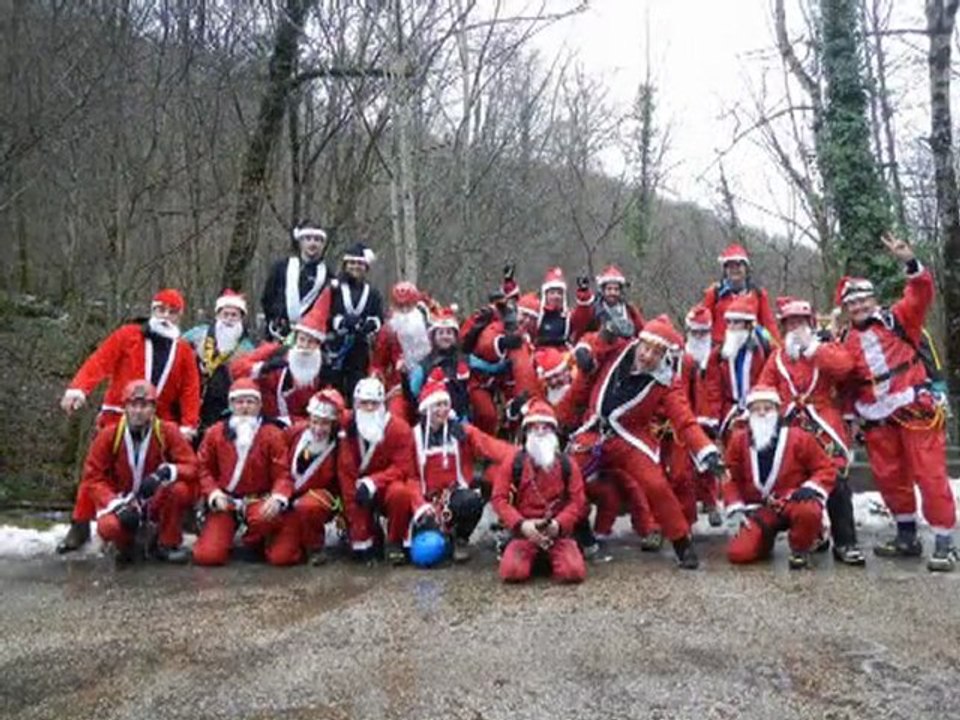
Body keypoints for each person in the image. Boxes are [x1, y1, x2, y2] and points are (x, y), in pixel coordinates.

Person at [558, 315, 724, 569]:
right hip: (592, 431)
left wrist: (706, 451)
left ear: (665, 355)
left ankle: (682, 544)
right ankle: (580, 533)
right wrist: (596, 341)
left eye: (656, 353)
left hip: (629, 437)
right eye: (646, 348)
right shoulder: (618, 349)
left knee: (656, 484)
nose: (647, 356)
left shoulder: (667, 382)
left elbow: (685, 421)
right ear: (640, 342)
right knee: (565, 476)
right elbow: (590, 342)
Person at [835, 232, 957, 571]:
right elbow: (844, 382)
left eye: (863, 301)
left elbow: (921, 292)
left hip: (913, 408)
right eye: (852, 304)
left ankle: (945, 541)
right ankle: (907, 536)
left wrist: (909, 261)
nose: (858, 307)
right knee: (889, 477)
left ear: (873, 300)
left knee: (929, 473)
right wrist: (850, 417)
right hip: (876, 418)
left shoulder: (899, 319)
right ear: (846, 309)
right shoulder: (845, 340)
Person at [57, 288, 201, 554]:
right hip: (117, 416)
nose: (165, 316)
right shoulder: (127, 335)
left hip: (160, 422)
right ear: (152, 310)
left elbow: (191, 390)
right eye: (160, 310)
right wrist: (79, 389)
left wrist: (189, 424)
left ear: (180, 317)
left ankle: (159, 528)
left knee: (165, 476)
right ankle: (80, 525)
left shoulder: (183, 351)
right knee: (98, 470)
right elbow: (99, 362)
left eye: (172, 312)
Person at [757, 296, 865, 566]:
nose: (796, 328)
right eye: (790, 323)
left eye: (801, 322)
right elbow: (764, 389)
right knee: (797, 480)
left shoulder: (827, 349)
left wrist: (813, 349)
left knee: (836, 478)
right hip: (791, 425)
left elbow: (845, 368)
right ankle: (813, 534)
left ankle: (846, 542)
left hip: (825, 423)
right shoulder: (777, 358)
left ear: (811, 323)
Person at [82, 380, 197, 565]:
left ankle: (166, 543)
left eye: (144, 406)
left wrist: (165, 473)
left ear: (153, 408)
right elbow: (93, 478)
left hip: (154, 497)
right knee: (109, 527)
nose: (138, 411)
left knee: (180, 490)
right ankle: (124, 544)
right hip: (122, 499)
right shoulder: (108, 435)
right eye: (133, 405)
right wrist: (116, 505)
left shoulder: (167, 431)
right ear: (125, 407)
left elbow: (192, 466)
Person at [723, 386, 836, 569]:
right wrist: (735, 506)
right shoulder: (738, 440)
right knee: (739, 553)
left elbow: (825, 467)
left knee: (808, 510)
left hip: (793, 501)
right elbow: (729, 477)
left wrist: (811, 487)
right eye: (756, 409)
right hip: (761, 508)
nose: (762, 413)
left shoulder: (799, 437)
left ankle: (804, 545)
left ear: (777, 410)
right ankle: (764, 539)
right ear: (749, 413)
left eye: (767, 408)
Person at [193, 379, 297, 566]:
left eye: (250, 402)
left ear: (259, 405)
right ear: (231, 405)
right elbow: (203, 468)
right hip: (227, 502)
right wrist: (214, 494)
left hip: (259, 500)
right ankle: (224, 534)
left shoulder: (272, 433)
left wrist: (278, 497)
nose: (245, 407)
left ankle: (255, 541)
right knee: (208, 557)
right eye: (239, 402)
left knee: (266, 521)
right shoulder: (215, 433)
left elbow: (283, 472)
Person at [412, 374, 514, 562]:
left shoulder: (461, 431)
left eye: (445, 405)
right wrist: (419, 505)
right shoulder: (414, 437)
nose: (442, 410)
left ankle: (461, 538)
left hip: (453, 495)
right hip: (424, 500)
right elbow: (409, 477)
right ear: (426, 409)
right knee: (430, 545)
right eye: (437, 405)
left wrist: (521, 456)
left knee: (472, 500)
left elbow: (490, 446)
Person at [491, 400, 588, 583]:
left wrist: (558, 525)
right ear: (527, 432)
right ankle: (535, 558)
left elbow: (578, 501)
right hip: (525, 531)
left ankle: (548, 558)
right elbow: (498, 498)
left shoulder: (567, 463)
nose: (540, 432)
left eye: (546, 428)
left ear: (554, 432)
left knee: (573, 572)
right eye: (535, 428)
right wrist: (521, 525)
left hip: (557, 532)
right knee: (511, 572)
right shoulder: (514, 461)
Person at [338, 377, 423, 564]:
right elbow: (346, 474)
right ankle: (366, 534)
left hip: (387, 486)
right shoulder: (346, 427)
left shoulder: (399, 428)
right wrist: (361, 537)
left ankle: (395, 541)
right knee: (360, 548)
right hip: (357, 489)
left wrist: (373, 482)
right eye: (364, 403)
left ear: (383, 404)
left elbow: (404, 467)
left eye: (374, 403)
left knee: (400, 493)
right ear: (355, 403)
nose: (369, 408)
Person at [230, 305, 336, 425]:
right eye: (302, 340)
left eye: (310, 342)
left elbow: (323, 407)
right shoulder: (275, 352)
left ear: (318, 345)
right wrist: (263, 367)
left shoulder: (322, 370)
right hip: (263, 421)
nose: (305, 346)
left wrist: (291, 422)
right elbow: (236, 368)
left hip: (298, 426)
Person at [283, 389, 347, 565]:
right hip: (289, 496)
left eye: (325, 423)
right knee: (283, 556)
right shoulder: (294, 433)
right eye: (314, 422)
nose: (318, 429)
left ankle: (314, 547)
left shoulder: (341, 445)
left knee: (308, 506)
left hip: (320, 498)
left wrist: (346, 515)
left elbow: (345, 481)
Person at [182, 289, 257, 436]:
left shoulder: (247, 349)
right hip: (195, 399)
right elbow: (177, 348)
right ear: (217, 315)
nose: (229, 319)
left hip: (225, 406)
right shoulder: (198, 334)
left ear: (241, 318)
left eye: (234, 315)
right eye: (225, 314)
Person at [701, 294, 774, 440]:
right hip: (729, 411)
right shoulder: (718, 355)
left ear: (748, 325)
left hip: (759, 408)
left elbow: (768, 381)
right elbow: (713, 390)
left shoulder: (763, 350)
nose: (731, 328)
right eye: (729, 323)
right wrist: (715, 419)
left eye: (736, 323)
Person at [370, 281, 433, 422]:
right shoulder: (388, 331)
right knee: (396, 417)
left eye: (408, 307)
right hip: (399, 386)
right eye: (400, 307)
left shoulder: (430, 327)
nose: (404, 311)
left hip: (430, 382)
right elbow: (378, 363)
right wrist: (376, 377)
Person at [261, 222, 331, 340]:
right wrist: (274, 318)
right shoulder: (281, 267)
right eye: (308, 239)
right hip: (279, 333)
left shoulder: (328, 275)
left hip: (310, 336)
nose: (313, 243)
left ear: (323, 244)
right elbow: (267, 297)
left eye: (318, 240)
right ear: (300, 242)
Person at [702, 243, 781, 344]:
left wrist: (777, 348)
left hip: (750, 350)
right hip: (720, 349)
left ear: (746, 268)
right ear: (725, 270)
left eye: (738, 265)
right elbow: (703, 323)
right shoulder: (714, 293)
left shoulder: (758, 294)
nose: (735, 270)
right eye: (730, 266)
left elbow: (768, 327)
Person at [408, 306, 472, 421]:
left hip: (461, 417)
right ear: (434, 337)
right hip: (431, 421)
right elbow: (412, 392)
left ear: (455, 337)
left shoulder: (465, 359)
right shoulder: (423, 365)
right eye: (441, 333)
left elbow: (490, 367)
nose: (445, 336)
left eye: (449, 333)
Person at [569, 264, 645, 342]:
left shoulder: (629, 310)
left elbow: (643, 331)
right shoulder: (594, 310)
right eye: (609, 289)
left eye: (616, 289)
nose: (613, 293)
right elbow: (579, 325)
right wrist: (583, 294)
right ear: (603, 290)